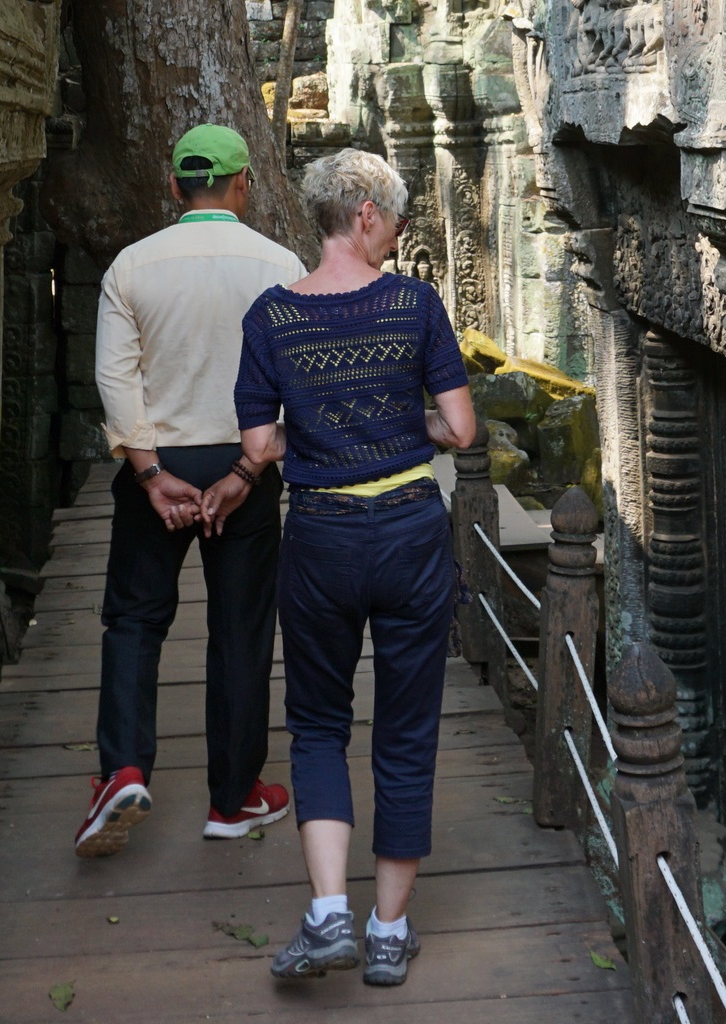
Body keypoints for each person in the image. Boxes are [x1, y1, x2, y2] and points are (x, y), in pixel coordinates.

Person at [231, 149, 479, 987]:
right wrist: (405, 431)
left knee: (317, 723)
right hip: (410, 531)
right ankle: (389, 932)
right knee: (406, 731)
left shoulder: (271, 317)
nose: (398, 236)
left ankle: (330, 913)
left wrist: (319, 435)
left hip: (321, 538)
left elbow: (259, 444)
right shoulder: (414, 304)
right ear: (366, 212)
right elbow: (461, 428)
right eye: (398, 220)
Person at [77, 124, 304, 857]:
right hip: (246, 465)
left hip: (161, 462)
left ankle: (123, 768)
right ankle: (233, 797)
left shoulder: (133, 266)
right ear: (243, 186)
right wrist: (246, 473)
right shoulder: (279, 266)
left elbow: (115, 377)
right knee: (240, 630)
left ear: (175, 186)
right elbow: (294, 384)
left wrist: (149, 473)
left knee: (134, 621)